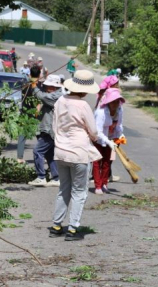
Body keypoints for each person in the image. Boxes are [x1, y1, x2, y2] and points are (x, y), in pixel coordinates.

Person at [50, 70, 102, 241]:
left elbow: (54, 126)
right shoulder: (83, 105)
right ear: (85, 90)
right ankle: (72, 229)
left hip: (60, 152)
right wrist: (93, 137)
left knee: (63, 189)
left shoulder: (60, 101)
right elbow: (93, 131)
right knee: (79, 192)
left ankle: (56, 225)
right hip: (79, 153)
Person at [27, 75, 63, 187]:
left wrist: (34, 86)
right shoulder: (54, 94)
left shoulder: (57, 96)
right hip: (48, 129)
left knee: (38, 151)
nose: (46, 87)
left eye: (48, 86)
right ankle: (56, 178)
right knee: (50, 155)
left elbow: (41, 96)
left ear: (54, 87)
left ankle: (41, 177)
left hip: (50, 130)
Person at [93, 88, 125, 195]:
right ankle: (97, 185)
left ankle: (104, 184)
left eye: (117, 101)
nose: (115, 104)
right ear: (108, 102)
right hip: (99, 140)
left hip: (112, 139)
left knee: (107, 162)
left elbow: (119, 125)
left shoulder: (120, 111)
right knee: (97, 162)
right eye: (113, 101)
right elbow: (98, 131)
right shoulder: (101, 112)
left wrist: (120, 135)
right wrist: (108, 141)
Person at [17, 65, 40, 164]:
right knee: (41, 137)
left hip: (24, 113)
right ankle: (43, 156)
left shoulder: (25, 85)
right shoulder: (39, 86)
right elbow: (39, 102)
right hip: (35, 114)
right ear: (39, 75)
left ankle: (19, 158)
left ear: (30, 74)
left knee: (22, 136)